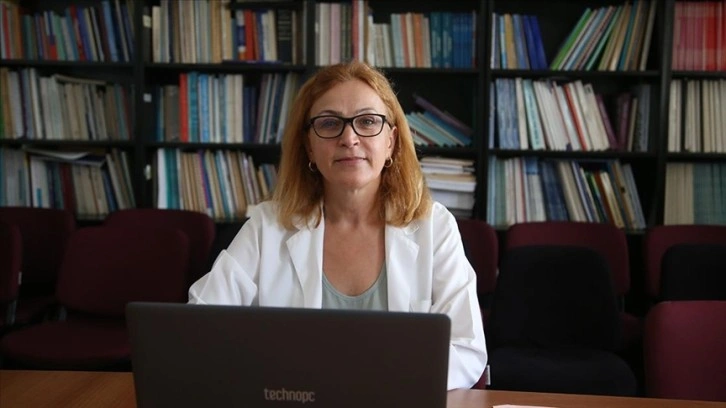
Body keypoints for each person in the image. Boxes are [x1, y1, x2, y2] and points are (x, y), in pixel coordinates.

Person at [188, 60, 487, 389]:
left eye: (368, 121)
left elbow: (467, 349)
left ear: (391, 141)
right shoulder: (267, 226)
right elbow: (199, 326)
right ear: (309, 146)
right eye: (329, 123)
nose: (349, 138)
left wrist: (372, 381)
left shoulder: (435, 226)